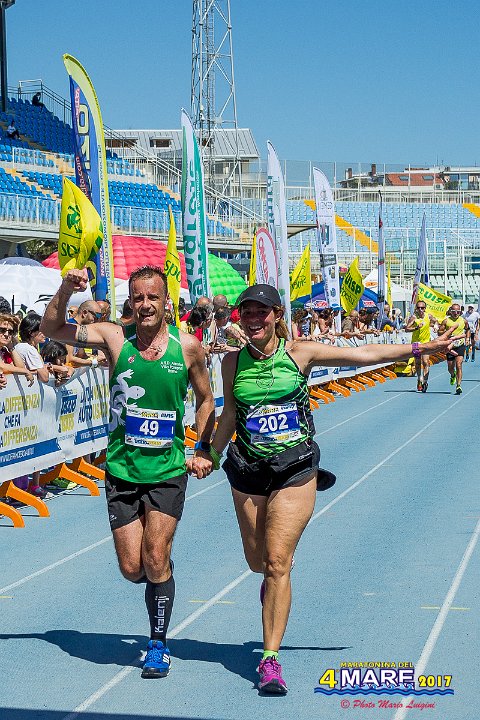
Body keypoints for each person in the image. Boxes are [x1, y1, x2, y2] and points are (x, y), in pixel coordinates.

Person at [207, 284, 461, 695]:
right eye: (246, 312)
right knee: (257, 562)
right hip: (249, 469)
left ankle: (270, 659)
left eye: (261, 312)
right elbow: (231, 413)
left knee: (277, 562)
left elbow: (366, 354)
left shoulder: (300, 353)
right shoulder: (232, 362)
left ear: (276, 316)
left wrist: (422, 348)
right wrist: (210, 453)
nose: (253, 319)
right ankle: (272, 582)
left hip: (295, 467)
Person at [40, 265, 215, 679]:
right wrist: (65, 288)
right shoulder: (114, 338)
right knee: (132, 569)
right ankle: (161, 577)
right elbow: (52, 329)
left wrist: (203, 447)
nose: (146, 304)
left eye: (153, 297)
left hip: (168, 469)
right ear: (130, 303)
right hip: (122, 470)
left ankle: (158, 644)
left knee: (154, 557)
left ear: (167, 301)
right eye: (138, 298)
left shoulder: (188, 347)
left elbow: (206, 399)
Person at [404, 301, 436, 392]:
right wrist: (416, 328)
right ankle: (419, 379)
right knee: (417, 363)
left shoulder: (428, 316)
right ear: (416, 309)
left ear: (425, 308)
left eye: (422, 308)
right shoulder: (414, 317)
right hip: (416, 343)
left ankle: (425, 382)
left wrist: (435, 326)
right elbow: (406, 329)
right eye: (418, 308)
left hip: (426, 343)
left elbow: (435, 321)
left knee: (426, 362)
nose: (420, 310)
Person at [438, 304, 469, 394]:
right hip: (450, 346)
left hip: (460, 345)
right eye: (454, 311)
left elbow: (468, 329)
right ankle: (453, 374)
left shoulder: (463, 321)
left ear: (460, 312)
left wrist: (467, 339)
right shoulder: (446, 321)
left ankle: (458, 386)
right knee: (450, 367)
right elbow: (439, 332)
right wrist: (447, 332)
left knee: (459, 365)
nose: (456, 313)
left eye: (458, 311)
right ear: (450, 311)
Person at [0, 314, 34, 386]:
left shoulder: (4, 351)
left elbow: (20, 368)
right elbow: (1, 366)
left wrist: (11, 348)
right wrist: (26, 371)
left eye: (10, 332)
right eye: (2, 330)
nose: (6, 334)